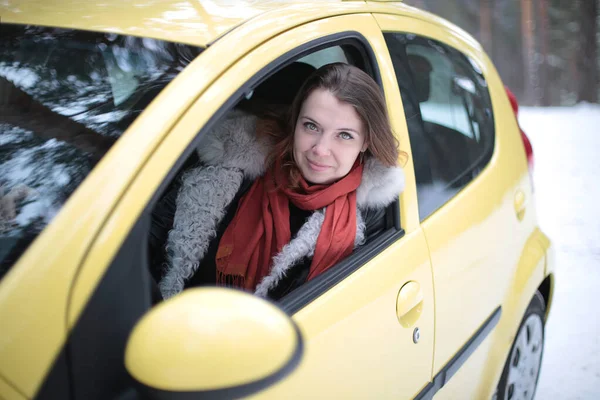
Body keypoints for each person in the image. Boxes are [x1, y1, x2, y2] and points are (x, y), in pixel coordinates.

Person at [155, 63, 406, 301]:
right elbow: (146, 248)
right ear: (295, 123)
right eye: (311, 126)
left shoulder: (377, 219)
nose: (321, 149)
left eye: (344, 135)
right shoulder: (226, 172)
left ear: (365, 142)